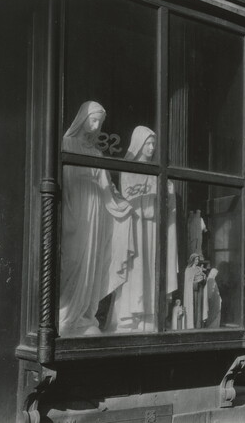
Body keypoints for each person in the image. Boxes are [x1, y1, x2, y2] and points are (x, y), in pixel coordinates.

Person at [59, 101, 133, 336]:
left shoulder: (96, 152)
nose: (96, 126)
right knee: (74, 260)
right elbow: (62, 180)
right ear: (82, 119)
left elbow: (106, 186)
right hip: (75, 208)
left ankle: (83, 317)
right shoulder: (66, 143)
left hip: (96, 210)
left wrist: (120, 204)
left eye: (99, 122)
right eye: (93, 120)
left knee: (92, 262)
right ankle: (65, 316)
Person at [107, 126, 178, 332]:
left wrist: (167, 191)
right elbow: (131, 199)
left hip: (153, 229)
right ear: (138, 144)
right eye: (148, 143)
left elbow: (166, 201)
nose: (151, 148)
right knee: (136, 271)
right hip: (136, 229)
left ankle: (150, 318)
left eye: (153, 144)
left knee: (151, 271)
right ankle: (130, 317)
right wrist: (155, 192)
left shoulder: (158, 171)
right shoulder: (129, 169)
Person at [183, 253, 206, 329]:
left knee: (199, 308)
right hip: (193, 292)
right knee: (194, 308)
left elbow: (203, 277)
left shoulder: (199, 268)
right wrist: (196, 281)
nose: (197, 261)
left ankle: (198, 325)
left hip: (200, 291)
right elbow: (188, 282)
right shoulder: (188, 270)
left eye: (198, 259)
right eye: (196, 259)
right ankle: (192, 325)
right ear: (192, 260)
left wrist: (203, 278)